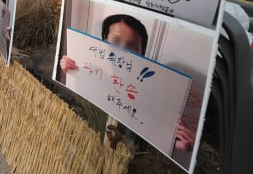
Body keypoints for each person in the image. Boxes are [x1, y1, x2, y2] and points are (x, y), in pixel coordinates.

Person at [59, 14, 195, 152]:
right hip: (86, 145)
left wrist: (172, 143)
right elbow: (79, 104)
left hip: (124, 158)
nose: (122, 51)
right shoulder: (91, 68)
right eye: (116, 41)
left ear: (142, 52)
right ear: (104, 39)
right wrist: (70, 71)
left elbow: (146, 129)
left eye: (131, 46)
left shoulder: (153, 91)